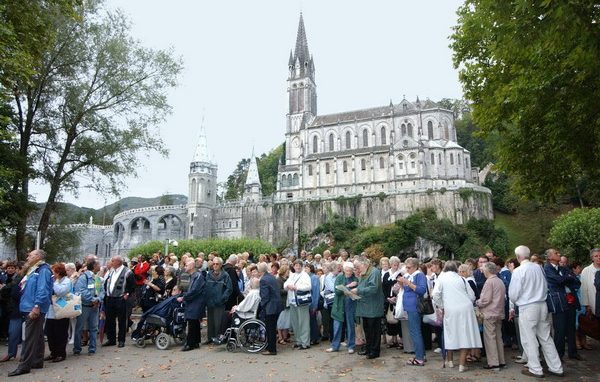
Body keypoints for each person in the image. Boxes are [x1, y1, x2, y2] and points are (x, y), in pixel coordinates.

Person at [509, 245, 563, 378]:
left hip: (528, 306)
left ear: (518, 257)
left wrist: (516, 301)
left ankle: (535, 368)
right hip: (541, 304)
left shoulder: (518, 271)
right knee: (545, 337)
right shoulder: (539, 268)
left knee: (529, 338)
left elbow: (513, 293)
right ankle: (556, 367)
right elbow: (545, 286)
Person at [8, 249, 53, 377]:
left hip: (33, 307)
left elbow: (43, 290)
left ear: (38, 257)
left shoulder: (42, 270)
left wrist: (37, 306)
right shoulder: (34, 269)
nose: (28, 257)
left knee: (28, 338)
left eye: (31, 255)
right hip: (28, 305)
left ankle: (24, 365)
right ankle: (37, 361)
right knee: (37, 335)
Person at [432, 261, 482, 372]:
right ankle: (461, 365)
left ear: (445, 269)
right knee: (464, 334)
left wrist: (442, 305)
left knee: (450, 334)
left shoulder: (441, 279)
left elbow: (435, 295)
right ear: (456, 269)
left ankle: (450, 361)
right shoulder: (462, 279)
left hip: (450, 308)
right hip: (465, 309)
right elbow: (472, 296)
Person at [543, 248, 582, 361]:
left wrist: (566, 278)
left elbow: (576, 282)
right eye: (556, 253)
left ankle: (573, 353)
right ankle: (558, 355)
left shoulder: (563, 268)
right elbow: (557, 280)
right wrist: (568, 278)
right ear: (549, 257)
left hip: (570, 301)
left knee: (571, 328)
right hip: (559, 302)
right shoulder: (547, 268)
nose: (559, 254)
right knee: (559, 330)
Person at [352, 256, 384, 359]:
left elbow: (373, 288)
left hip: (373, 307)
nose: (357, 269)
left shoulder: (374, 272)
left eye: (358, 267)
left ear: (364, 264)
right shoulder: (364, 272)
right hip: (364, 306)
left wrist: (358, 290)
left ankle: (374, 351)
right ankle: (368, 348)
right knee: (367, 329)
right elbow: (363, 286)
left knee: (374, 330)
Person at [476, 262, 506, 371]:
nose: (482, 270)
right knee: (498, 338)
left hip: (489, 313)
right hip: (499, 312)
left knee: (490, 339)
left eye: (483, 269)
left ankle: (493, 363)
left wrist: (477, 302)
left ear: (488, 270)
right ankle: (501, 361)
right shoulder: (499, 281)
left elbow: (486, 300)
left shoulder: (489, 282)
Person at [400, 257, 427, 366]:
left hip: (415, 307)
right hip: (410, 306)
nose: (407, 269)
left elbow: (421, 290)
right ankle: (421, 355)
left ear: (415, 266)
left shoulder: (419, 275)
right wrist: (401, 284)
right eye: (406, 267)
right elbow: (406, 290)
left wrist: (407, 282)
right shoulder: (409, 275)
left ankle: (419, 358)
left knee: (415, 332)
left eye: (409, 267)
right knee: (415, 331)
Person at [103, 255, 135, 348]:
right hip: (110, 298)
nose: (111, 262)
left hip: (120, 298)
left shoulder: (128, 272)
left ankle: (121, 340)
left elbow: (132, 285)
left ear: (118, 262)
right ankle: (111, 339)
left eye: (112, 261)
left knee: (121, 320)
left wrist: (127, 294)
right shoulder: (111, 271)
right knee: (110, 319)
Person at [327, 261, 358, 353]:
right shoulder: (340, 277)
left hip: (350, 304)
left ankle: (351, 346)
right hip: (339, 305)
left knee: (350, 326)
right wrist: (347, 286)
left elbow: (357, 288)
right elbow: (337, 291)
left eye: (350, 271)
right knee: (337, 326)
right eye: (347, 270)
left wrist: (355, 287)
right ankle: (335, 346)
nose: (348, 272)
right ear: (344, 270)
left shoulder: (355, 278)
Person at [44, 263, 72, 363]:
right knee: (50, 333)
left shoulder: (67, 281)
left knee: (60, 333)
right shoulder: (54, 280)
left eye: (54, 272)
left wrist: (52, 283)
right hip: (51, 310)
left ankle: (61, 353)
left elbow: (61, 291)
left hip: (61, 309)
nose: (52, 274)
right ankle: (53, 352)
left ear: (58, 272)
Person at [74, 260, 101, 355]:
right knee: (79, 328)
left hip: (95, 307)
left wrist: (98, 300)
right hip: (85, 306)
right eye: (98, 264)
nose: (100, 266)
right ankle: (77, 349)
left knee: (94, 328)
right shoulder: (83, 277)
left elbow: (102, 291)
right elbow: (81, 290)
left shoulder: (98, 278)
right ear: (94, 266)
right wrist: (92, 299)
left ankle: (92, 349)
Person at [284, 259, 312, 350]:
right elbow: (285, 284)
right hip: (292, 301)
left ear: (302, 266)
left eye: (299, 265)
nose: (298, 267)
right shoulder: (292, 275)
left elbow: (308, 286)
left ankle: (305, 342)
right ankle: (298, 341)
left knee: (303, 322)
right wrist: (288, 286)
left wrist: (296, 287)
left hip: (301, 301)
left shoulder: (305, 275)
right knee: (295, 322)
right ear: (294, 266)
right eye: (296, 265)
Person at [179, 258, 206, 351]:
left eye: (186, 265)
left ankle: (190, 343)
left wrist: (184, 297)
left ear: (191, 266)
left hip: (196, 302)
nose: (184, 267)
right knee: (194, 322)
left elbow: (194, 291)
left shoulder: (197, 276)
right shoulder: (194, 276)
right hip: (194, 302)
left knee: (192, 322)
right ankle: (196, 342)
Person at [204, 257, 232, 344]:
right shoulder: (208, 275)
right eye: (214, 264)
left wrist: (223, 298)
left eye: (217, 264)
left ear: (220, 265)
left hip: (219, 302)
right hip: (210, 301)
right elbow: (205, 287)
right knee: (210, 321)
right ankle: (210, 338)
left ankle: (218, 338)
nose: (215, 266)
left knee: (218, 321)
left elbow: (229, 288)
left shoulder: (225, 275)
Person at [0, 262, 23, 363]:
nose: (10, 270)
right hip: (10, 308)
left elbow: (15, 293)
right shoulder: (8, 278)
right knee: (12, 332)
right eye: (8, 268)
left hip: (18, 309)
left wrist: (4, 288)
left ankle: (21, 354)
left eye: (13, 268)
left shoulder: (19, 279)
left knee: (18, 333)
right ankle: (11, 353)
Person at [258, 262, 283, 355]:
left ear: (260, 271)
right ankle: (271, 347)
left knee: (270, 328)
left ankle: (271, 349)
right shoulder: (271, 277)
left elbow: (265, 296)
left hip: (270, 307)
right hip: (277, 305)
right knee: (272, 328)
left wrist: (262, 306)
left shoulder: (263, 280)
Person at [382, 256, 402, 348]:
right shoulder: (386, 274)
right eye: (394, 265)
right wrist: (387, 298)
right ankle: (393, 339)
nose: (396, 266)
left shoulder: (400, 274)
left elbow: (402, 288)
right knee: (390, 320)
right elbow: (384, 288)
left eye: (397, 265)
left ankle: (399, 339)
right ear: (391, 264)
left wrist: (396, 297)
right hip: (388, 299)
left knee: (398, 319)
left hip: (397, 299)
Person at [580, 248, 600, 324]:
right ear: (592, 258)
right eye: (596, 256)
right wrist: (587, 305)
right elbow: (583, 289)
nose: (599, 257)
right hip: (593, 304)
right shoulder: (586, 270)